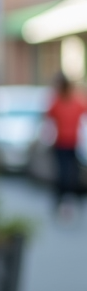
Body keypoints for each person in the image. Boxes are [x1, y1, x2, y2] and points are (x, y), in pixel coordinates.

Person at [47, 73, 87, 218]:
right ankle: (63, 202)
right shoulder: (59, 101)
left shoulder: (73, 101)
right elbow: (48, 118)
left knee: (70, 173)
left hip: (71, 143)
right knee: (64, 173)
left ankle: (68, 201)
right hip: (62, 143)